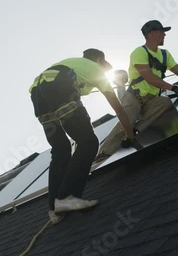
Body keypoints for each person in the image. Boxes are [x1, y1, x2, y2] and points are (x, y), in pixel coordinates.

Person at [29, 48, 135, 224]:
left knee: (61, 149)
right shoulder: (96, 70)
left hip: (37, 92)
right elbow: (119, 109)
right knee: (88, 142)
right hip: (60, 86)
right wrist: (130, 135)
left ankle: (55, 208)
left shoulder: (71, 63)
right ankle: (67, 198)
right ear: (99, 60)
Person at [95, 20, 178, 162]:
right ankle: (103, 155)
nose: (164, 35)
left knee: (165, 102)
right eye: (162, 32)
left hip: (152, 100)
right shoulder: (139, 52)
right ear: (153, 33)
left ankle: (134, 132)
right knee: (128, 118)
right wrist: (174, 88)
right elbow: (148, 77)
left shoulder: (164, 54)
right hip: (134, 97)